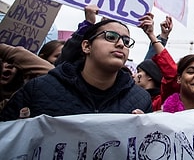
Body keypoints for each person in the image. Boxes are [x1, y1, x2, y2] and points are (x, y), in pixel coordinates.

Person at [0, 19, 152, 121]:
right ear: (86, 46)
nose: (120, 44)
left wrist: (143, 130)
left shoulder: (141, 100)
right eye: (110, 37)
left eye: (126, 41)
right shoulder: (39, 88)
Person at [139, 13, 178, 111]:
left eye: (139, 72)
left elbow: (171, 74)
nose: (134, 75)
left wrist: (153, 36)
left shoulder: (159, 102)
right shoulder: (129, 96)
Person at [0, 44, 54, 111]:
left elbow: (51, 74)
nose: (8, 65)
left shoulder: (24, 97)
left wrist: (12, 52)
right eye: (2, 62)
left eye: (13, 63)